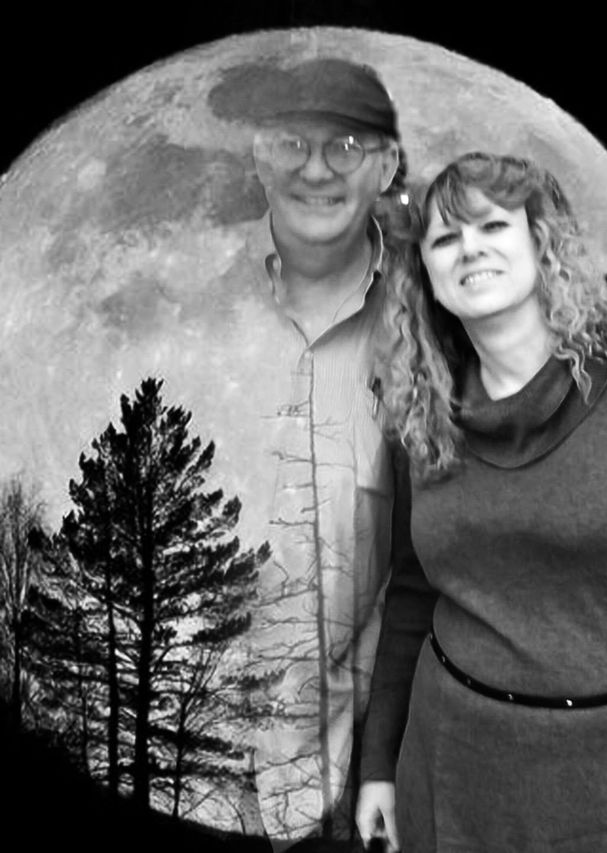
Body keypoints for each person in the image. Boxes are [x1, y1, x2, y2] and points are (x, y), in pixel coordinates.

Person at [355, 152, 607, 852]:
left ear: (541, 241)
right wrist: (379, 763)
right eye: (445, 237)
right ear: (425, 269)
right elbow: (412, 593)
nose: (470, 248)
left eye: (491, 226)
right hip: (449, 768)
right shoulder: (421, 421)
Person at [215, 58, 404, 849]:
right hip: (192, 759)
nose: (317, 169)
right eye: (293, 142)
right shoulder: (182, 299)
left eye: (347, 145)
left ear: (387, 164)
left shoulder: (435, 314)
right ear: (259, 155)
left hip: (363, 773)